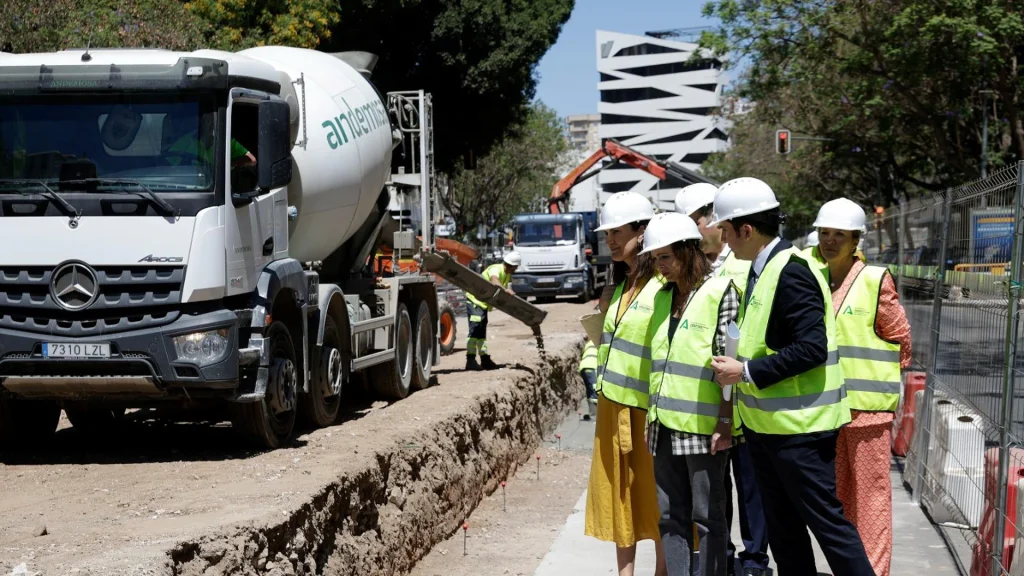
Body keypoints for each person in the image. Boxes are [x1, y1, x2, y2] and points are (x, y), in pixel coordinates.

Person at [707, 177, 873, 576]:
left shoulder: (790, 270)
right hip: (769, 430)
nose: (725, 242)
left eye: (727, 232)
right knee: (784, 535)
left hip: (800, 431)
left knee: (829, 529)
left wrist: (744, 371)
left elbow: (812, 348)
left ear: (747, 230)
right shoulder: (760, 270)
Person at [814, 198, 912, 576]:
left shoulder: (873, 279)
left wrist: (881, 379)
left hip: (867, 410)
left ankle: (875, 570)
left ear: (856, 239)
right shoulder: (818, 277)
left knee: (870, 499)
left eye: (840, 234)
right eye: (825, 232)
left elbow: (901, 339)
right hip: (830, 409)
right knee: (841, 498)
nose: (830, 240)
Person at [676, 183, 770, 576]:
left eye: (702, 221)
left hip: (747, 395)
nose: (700, 229)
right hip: (715, 400)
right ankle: (725, 558)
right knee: (719, 493)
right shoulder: (698, 270)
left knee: (751, 488)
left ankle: (753, 560)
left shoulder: (746, 262)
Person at [643, 212, 740, 576]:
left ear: (688, 251)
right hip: (663, 426)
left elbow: (729, 365)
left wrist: (725, 422)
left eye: (665, 257)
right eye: (655, 259)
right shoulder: (663, 298)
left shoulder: (721, 292)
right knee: (670, 518)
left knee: (708, 519)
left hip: (703, 430)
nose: (660, 267)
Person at [586, 191, 667, 576]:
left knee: (657, 499)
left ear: (643, 230)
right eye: (607, 234)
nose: (611, 240)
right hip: (614, 408)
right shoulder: (620, 287)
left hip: (648, 411)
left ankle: (664, 570)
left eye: (618, 232)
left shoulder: (664, 285)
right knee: (621, 498)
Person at [464, 251, 521, 371]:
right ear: (511, 266)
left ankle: (485, 359)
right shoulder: (497, 269)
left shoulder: (506, 274)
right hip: (475, 301)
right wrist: (505, 290)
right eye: (515, 267)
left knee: (481, 334)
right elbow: (494, 280)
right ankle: (470, 359)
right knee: (475, 331)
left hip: (482, 304)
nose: (515, 270)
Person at [579, 339, 599, 420]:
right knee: (595, 391)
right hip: (592, 367)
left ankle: (592, 413)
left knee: (590, 390)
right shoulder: (604, 343)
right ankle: (594, 416)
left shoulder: (589, 343)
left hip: (583, 367)